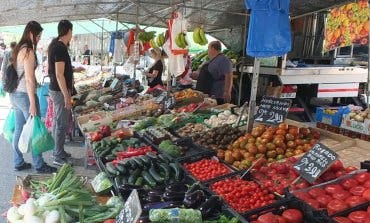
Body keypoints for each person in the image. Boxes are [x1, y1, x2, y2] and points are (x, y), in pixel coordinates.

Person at [9, 21, 57, 173]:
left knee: (18, 129)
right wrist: (33, 103)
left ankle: (18, 161)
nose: (38, 39)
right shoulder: (28, 51)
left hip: (15, 94)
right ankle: (39, 164)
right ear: (30, 33)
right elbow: (29, 79)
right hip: (24, 95)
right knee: (36, 129)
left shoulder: (18, 49)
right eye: (38, 36)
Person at [48, 20, 84, 166]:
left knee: (58, 122)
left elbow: (60, 69)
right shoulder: (60, 48)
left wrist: (73, 70)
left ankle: (59, 151)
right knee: (61, 124)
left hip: (56, 89)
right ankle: (57, 156)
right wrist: (66, 96)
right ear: (68, 31)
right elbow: (59, 74)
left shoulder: (56, 45)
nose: (72, 34)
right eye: (72, 31)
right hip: (59, 91)